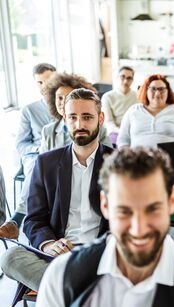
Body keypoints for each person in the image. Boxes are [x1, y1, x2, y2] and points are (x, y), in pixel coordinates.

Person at [36, 147, 174, 307]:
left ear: (172, 200)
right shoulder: (61, 276)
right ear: (105, 205)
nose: (139, 229)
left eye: (152, 209)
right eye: (124, 211)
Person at [0, 88, 113, 291]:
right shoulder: (45, 163)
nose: (79, 125)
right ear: (64, 118)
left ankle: (62, 292)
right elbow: (34, 219)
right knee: (10, 257)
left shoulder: (120, 164)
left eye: (87, 117)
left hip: (100, 253)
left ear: (100, 118)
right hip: (56, 255)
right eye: (73, 117)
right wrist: (48, 244)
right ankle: (82, 293)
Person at [0, 63, 56, 239]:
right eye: (40, 82)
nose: (44, 86)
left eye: (48, 81)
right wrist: (38, 149)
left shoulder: (67, 105)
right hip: (36, 155)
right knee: (36, 165)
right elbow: (21, 144)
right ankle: (17, 220)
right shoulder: (29, 110)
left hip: (63, 153)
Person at [40, 72, 112, 152]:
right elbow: (43, 162)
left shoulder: (98, 129)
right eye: (60, 98)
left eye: (68, 97)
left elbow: (109, 159)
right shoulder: (48, 131)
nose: (63, 102)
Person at [117, 74, 174, 147]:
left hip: (171, 160)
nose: (157, 93)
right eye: (153, 89)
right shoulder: (133, 111)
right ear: (146, 91)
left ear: (168, 91)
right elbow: (122, 141)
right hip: (137, 160)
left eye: (161, 89)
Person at [101, 66, 137, 143]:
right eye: (122, 77)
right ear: (117, 77)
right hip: (115, 131)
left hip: (134, 131)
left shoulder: (138, 97)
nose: (125, 81)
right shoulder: (107, 97)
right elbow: (109, 122)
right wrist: (122, 132)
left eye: (129, 78)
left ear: (132, 80)